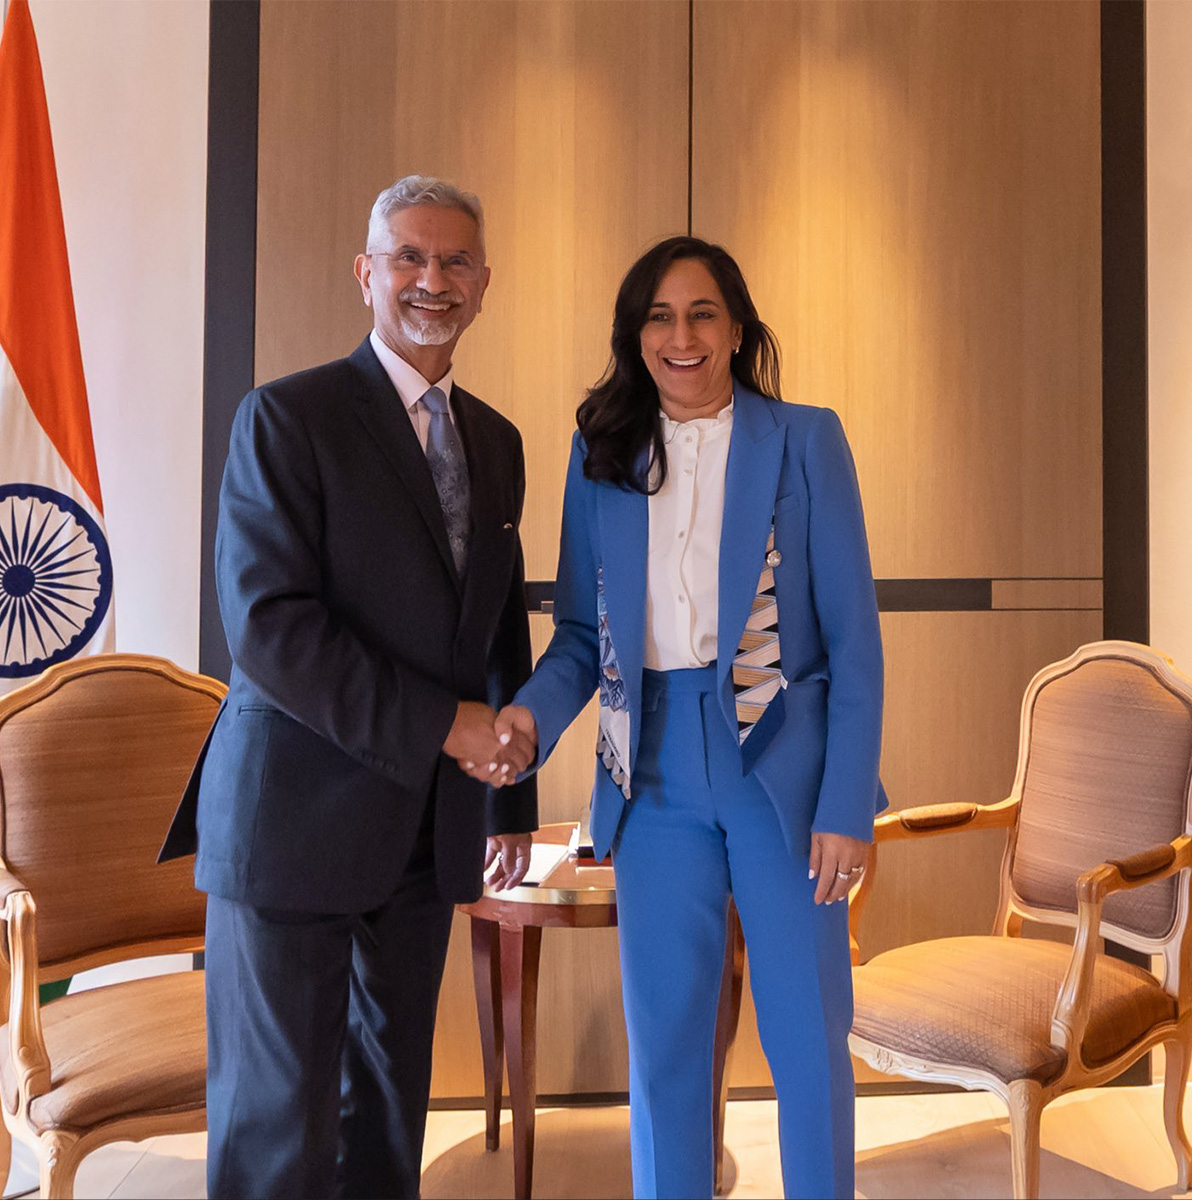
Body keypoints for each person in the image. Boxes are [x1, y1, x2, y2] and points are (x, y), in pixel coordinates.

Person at [160, 175, 539, 1200]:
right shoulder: (286, 418)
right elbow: (272, 634)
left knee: (387, 1117)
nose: (431, 279)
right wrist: (447, 726)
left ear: (483, 283)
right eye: (408, 258)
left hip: (426, 834)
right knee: (278, 1130)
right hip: (292, 826)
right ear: (365, 274)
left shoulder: (496, 443)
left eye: (454, 260)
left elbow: (494, 622)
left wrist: (507, 796)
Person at [493, 236, 885, 1199]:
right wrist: (526, 722)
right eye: (659, 317)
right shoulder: (603, 459)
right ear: (635, 337)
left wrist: (847, 804)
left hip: (780, 767)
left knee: (805, 1035)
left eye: (702, 313)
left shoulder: (804, 438)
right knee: (665, 1039)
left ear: (737, 327)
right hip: (651, 771)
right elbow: (584, 639)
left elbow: (854, 638)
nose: (682, 336)